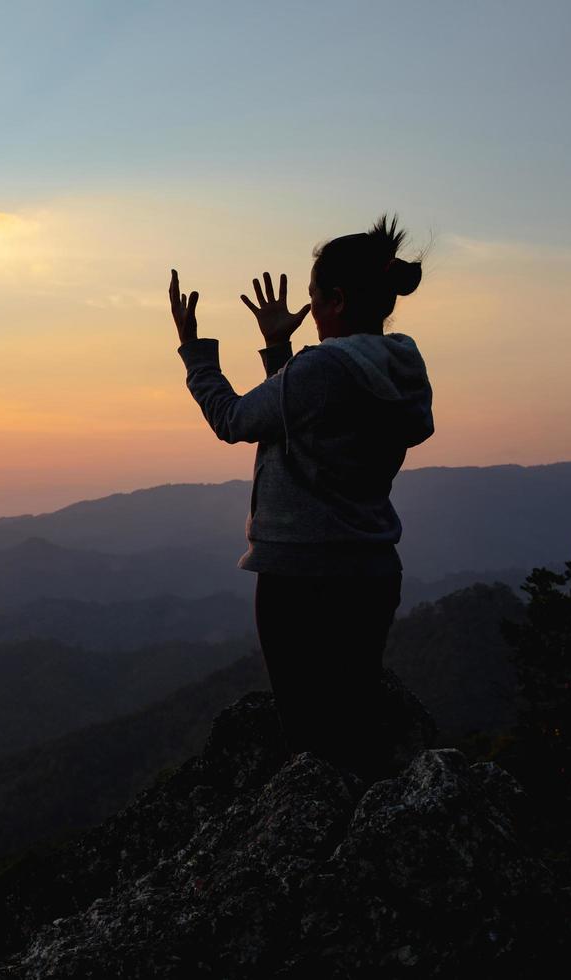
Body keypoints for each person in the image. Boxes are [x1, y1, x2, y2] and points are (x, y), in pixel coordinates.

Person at [168, 214, 434, 782]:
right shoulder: (399, 365)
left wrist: (194, 352)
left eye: (313, 298)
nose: (308, 310)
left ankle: (326, 849)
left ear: (336, 299)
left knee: (312, 742)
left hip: (302, 575)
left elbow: (236, 418)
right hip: (370, 569)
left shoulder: (321, 369)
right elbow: (310, 415)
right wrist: (279, 347)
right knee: (353, 720)